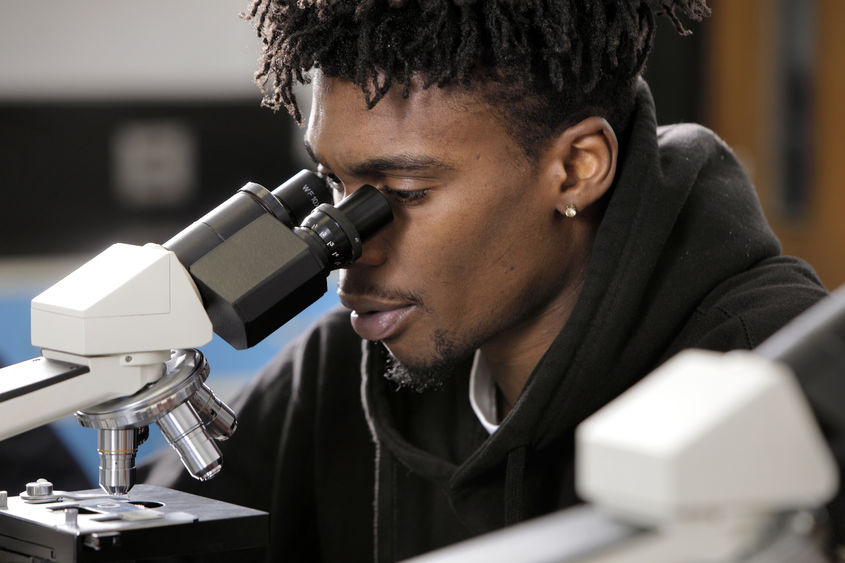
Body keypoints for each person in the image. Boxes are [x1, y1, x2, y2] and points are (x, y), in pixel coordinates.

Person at [143, 1, 838, 561]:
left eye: (404, 192)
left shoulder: (767, 378)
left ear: (575, 168)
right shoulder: (338, 371)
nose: (347, 247)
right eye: (333, 184)